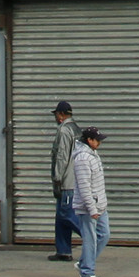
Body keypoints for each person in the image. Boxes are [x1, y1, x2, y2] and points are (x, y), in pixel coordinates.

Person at [70, 126, 109, 277]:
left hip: (99, 205)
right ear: (89, 140)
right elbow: (84, 186)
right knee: (90, 239)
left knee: (104, 235)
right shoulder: (82, 159)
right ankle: (86, 273)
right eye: (97, 140)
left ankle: (84, 262)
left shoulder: (93, 154)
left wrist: (101, 205)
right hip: (88, 207)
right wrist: (92, 209)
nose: (99, 143)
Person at [48, 101, 80, 262]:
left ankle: (93, 235)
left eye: (56, 114)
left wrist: (57, 177)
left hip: (67, 180)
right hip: (75, 178)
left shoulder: (64, 130)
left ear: (61, 115)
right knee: (60, 218)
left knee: (66, 213)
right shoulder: (76, 129)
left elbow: (61, 156)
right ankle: (63, 250)